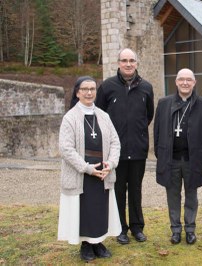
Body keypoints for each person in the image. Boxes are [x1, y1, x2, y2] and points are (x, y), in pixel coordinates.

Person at [58, 76, 121, 262]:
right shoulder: (70, 117)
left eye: (92, 89)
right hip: (82, 172)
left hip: (102, 171)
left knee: (101, 209)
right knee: (84, 210)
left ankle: (99, 242)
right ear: (77, 92)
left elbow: (115, 142)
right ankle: (86, 245)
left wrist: (111, 163)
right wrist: (87, 168)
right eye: (85, 89)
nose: (89, 92)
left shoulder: (104, 116)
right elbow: (65, 149)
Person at [95, 48, 154, 244]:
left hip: (138, 150)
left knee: (136, 190)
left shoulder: (146, 87)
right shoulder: (107, 87)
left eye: (132, 60)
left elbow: (148, 115)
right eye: (124, 60)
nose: (128, 64)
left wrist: (137, 133)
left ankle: (137, 228)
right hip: (115, 153)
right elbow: (100, 115)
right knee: (118, 190)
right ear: (118, 63)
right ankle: (121, 229)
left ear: (137, 63)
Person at [154, 68, 202, 245]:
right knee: (172, 196)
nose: (185, 83)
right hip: (171, 159)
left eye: (189, 80)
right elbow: (157, 132)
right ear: (176, 82)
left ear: (194, 83)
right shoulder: (164, 103)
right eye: (181, 79)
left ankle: (190, 230)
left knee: (191, 196)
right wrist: (161, 155)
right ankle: (175, 230)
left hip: (193, 159)